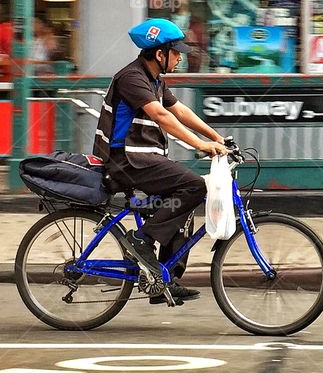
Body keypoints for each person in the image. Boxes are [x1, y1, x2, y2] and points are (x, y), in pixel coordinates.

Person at [93, 18, 228, 303]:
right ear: (159, 54)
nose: (180, 58)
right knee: (195, 186)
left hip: (143, 159)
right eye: (176, 52)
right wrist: (200, 145)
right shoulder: (131, 78)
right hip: (126, 161)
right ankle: (141, 240)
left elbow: (180, 111)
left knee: (183, 204)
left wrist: (217, 138)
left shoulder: (155, 80)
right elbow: (161, 115)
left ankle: (165, 279)